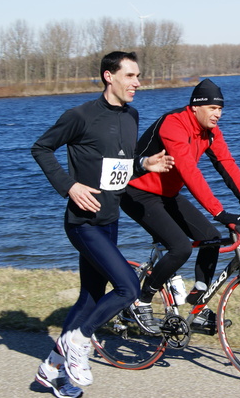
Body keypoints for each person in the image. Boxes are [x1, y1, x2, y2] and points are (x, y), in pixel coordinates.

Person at [31, 51, 174, 397]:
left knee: (90, 299)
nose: (138, 83)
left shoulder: (132, 116)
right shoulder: (79, 116)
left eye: (138, 76)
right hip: (83, 223)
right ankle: (79, 342)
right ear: (109, 76)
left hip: (110, 220)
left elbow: (116, 167)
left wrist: (144, 164)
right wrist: (70, 186)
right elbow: (41, 148)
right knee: (128, 288)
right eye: (130, 76)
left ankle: (51, 369)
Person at [120, 78, 240, 335]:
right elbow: (189, 172)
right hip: (137, 192)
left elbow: (227, 164)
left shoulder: (210, 132)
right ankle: (141, 300)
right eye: (212, 108)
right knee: (180, 248)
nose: (218, 114)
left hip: (167, 193)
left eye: (220, 109)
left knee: (211, 238)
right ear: (195, 107)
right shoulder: (174, 124)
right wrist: (220, 213)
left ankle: (196, 305)